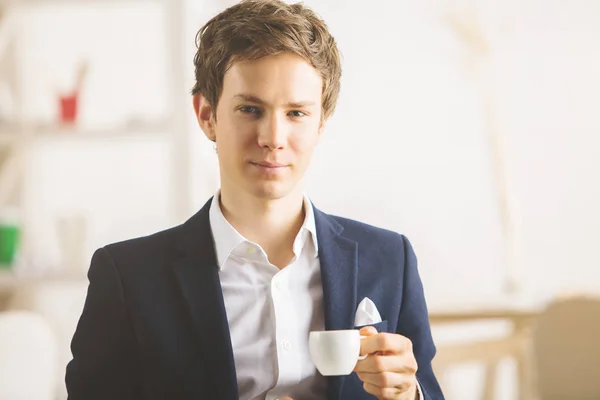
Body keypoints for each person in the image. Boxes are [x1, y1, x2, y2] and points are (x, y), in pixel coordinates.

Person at [65, 1, 444, 399]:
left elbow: (428, 391)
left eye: (296, 113)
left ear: (321, 123)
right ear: (206, 114)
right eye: (250, 109)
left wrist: (409, 395)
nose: (273, 138)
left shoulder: (389, 259)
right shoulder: (129, 279)